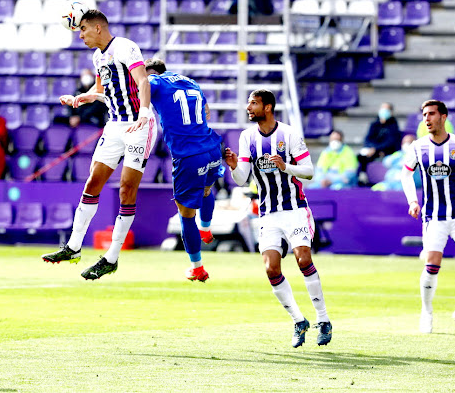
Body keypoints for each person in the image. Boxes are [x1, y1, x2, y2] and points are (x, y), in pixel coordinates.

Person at [41, 9, 157, 281]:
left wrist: (144, 111)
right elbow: (100, 92)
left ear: (97, 28)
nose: (79, 35)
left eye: (82, 29)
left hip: (138, 126)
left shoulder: (126, 47)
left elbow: (143, 81)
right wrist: (82, 98)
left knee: (127, 189)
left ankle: (111, 258)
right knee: (93, 181)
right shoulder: (98, 56)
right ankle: (73, 246)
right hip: (115, 125)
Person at [224, 89, 332, 348]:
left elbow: (309, 171)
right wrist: (233, 164)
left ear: (268, 107)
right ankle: (298, 320)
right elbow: (242, 179)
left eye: (253, 103)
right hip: (268, 213)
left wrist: (285, 166)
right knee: (271, 268)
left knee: (303, 258)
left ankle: (323, 319)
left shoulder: (289, 134)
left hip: (295, 209)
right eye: (248, 102)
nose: (248, 107)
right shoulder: (247, 136)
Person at [401, 99, 455, 336]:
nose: (426, 119)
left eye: (431, 114)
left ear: (443, 117)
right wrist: (412, 201)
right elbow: (406, 176)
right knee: (432, 264)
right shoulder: (418, 147)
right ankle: (427, 312)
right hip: (433, 217)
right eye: (424, 115)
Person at [140, 58, 224, 282]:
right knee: (206, 190)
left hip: (188, 154)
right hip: (212, 147)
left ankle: (197, 268)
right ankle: (205, 230)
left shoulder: (154, 80)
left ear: (151, 72)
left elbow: (145, 85)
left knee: (186, 215)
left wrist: (142, 110)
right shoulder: (190, 82)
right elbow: (206, 112)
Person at [357, 102, 402, 182]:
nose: (383, 111)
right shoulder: (374, 124)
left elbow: (390, 142)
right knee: (361, 155)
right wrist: (372, 148)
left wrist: (376, 149)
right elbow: (367, 139)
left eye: (386, 109)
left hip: (386, 151)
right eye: (382, 109)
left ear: (391, 112)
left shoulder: (394, 126)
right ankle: (362, 175)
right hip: (372, 149)